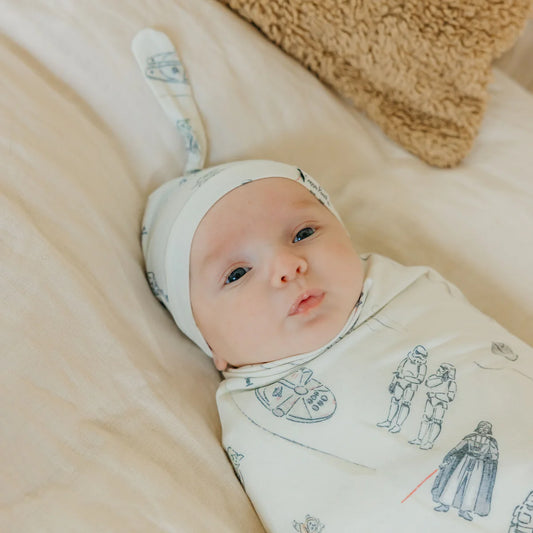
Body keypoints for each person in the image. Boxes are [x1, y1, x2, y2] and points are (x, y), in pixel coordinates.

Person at [141, 159, 533, 533]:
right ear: (207, 340)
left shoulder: (413, 293)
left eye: (303, 234)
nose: (287, 265)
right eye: (237, 273)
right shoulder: (255, 425)